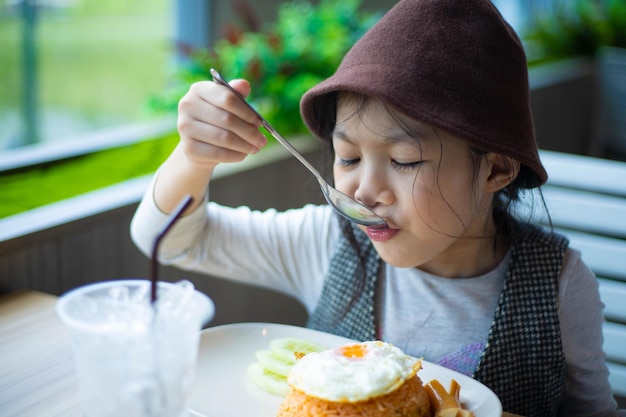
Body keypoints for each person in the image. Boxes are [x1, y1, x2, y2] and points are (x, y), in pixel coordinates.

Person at [131, 0, 624, 416]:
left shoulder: (557, 284)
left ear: (496, 169)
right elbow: (172, 238)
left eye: (404, 160)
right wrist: (193, 157)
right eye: (347, 157)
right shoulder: (327, 242)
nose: (363, 191)